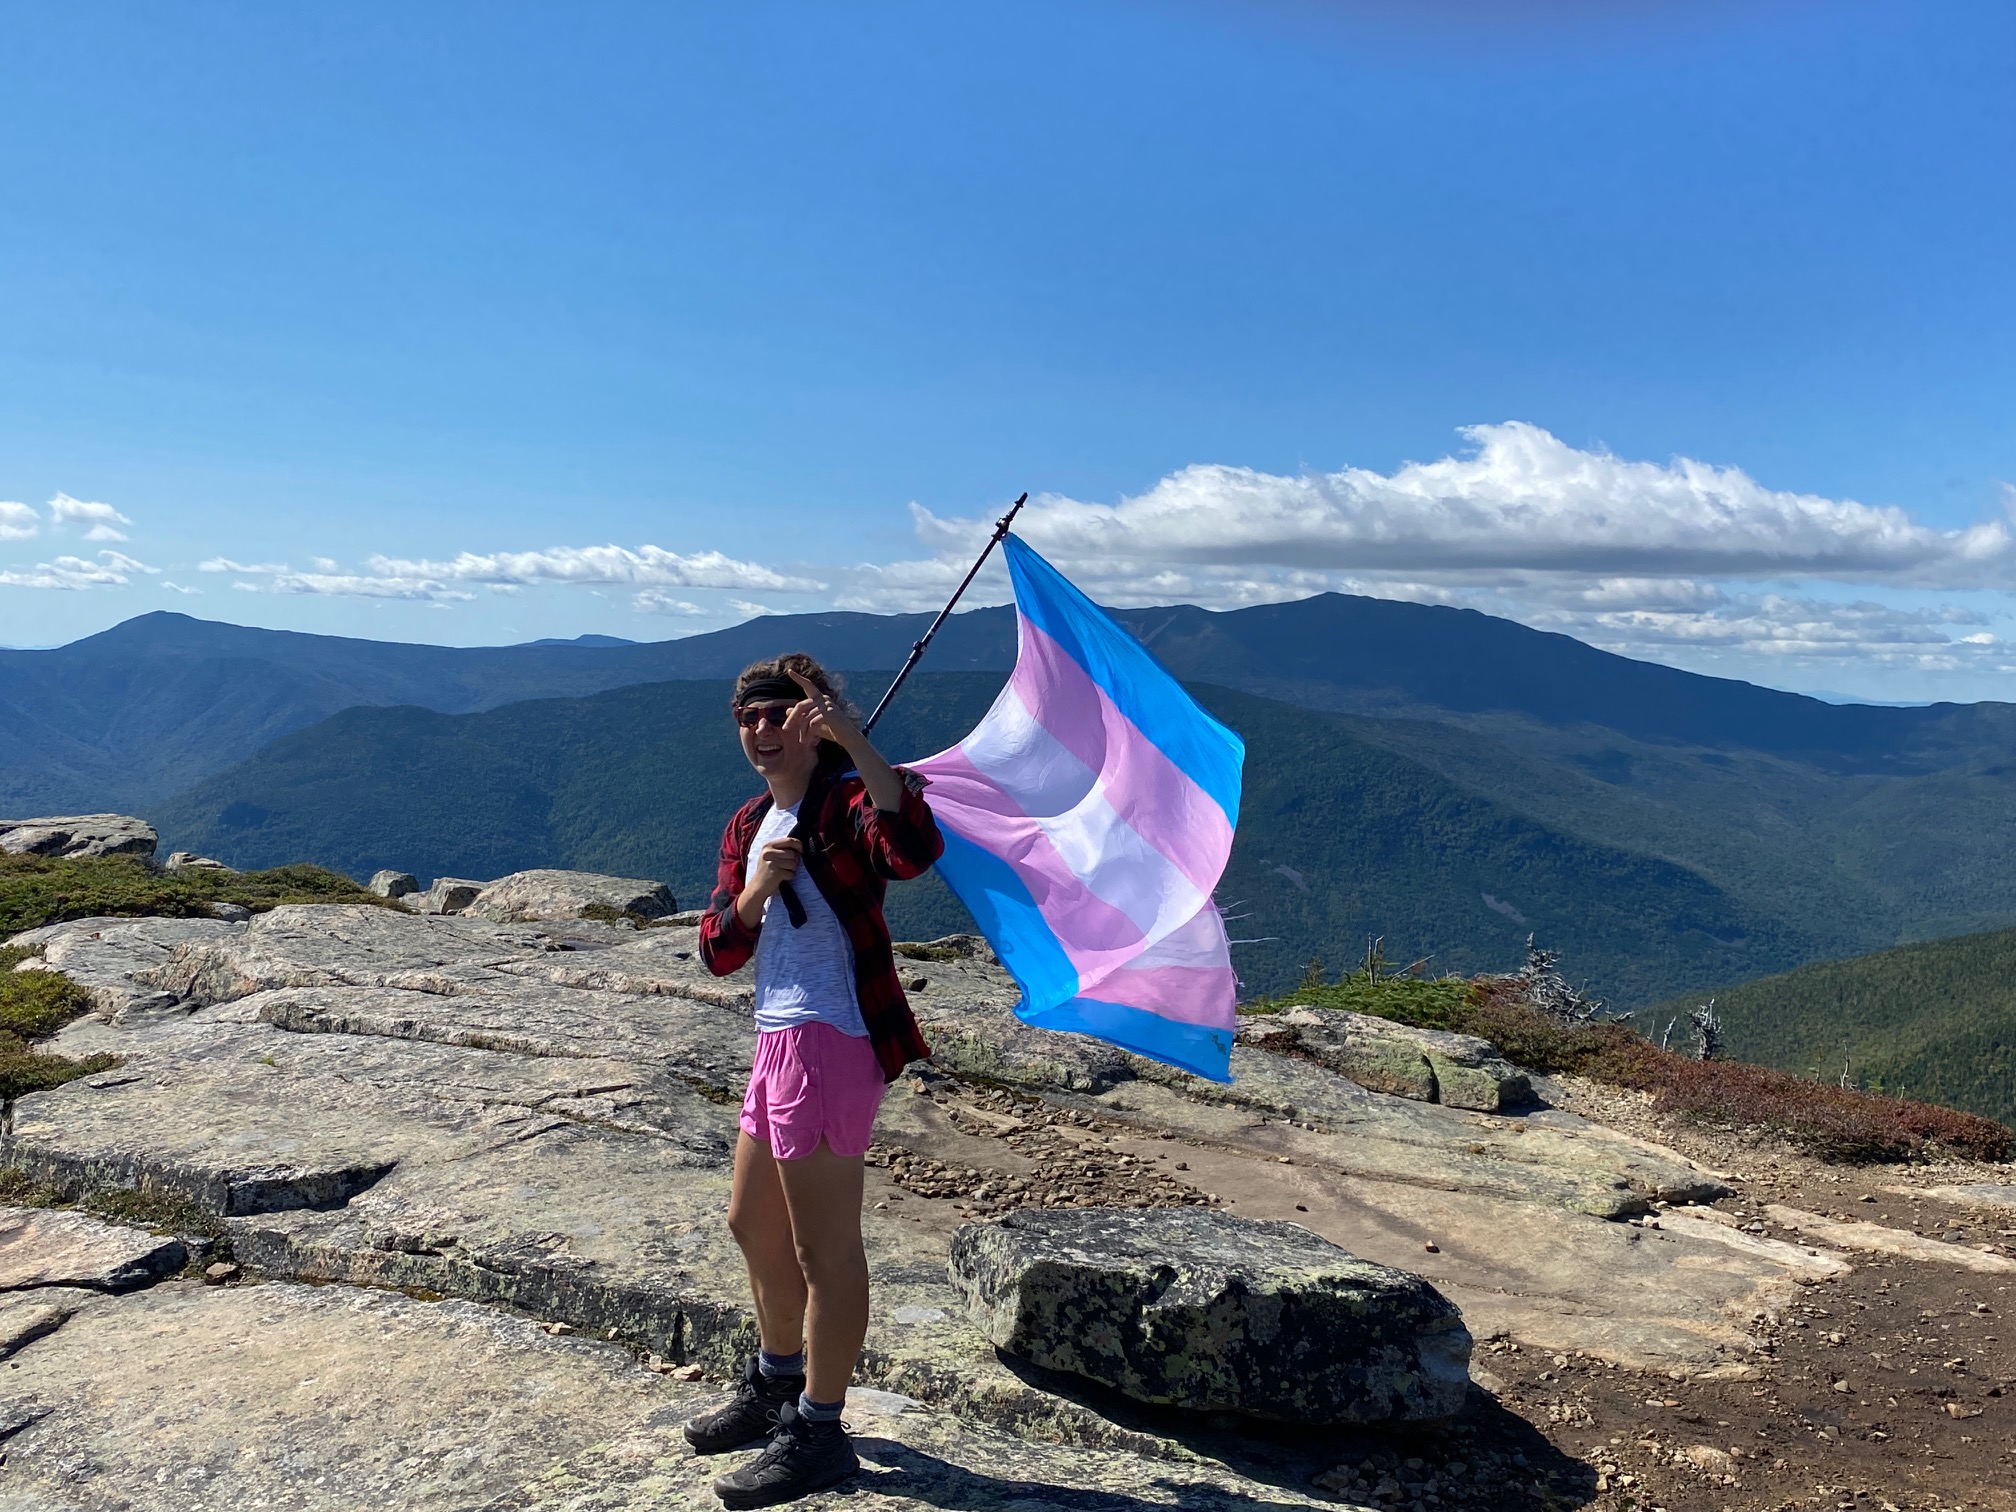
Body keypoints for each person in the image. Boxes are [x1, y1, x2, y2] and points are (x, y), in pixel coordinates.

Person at [683, 653, 941, 1509]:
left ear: (812, 720)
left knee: (822, 1249)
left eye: (778, 714)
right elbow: (719, 950)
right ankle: (776, 1385)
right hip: (775, 1035)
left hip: (831, 1036)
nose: (761, 729)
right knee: (751, 1222)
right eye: (747, 717)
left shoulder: (845, 800)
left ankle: (821, 1433)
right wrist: (758, 889)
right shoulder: (749, 823)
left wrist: (854, 740)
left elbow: (911, 848)